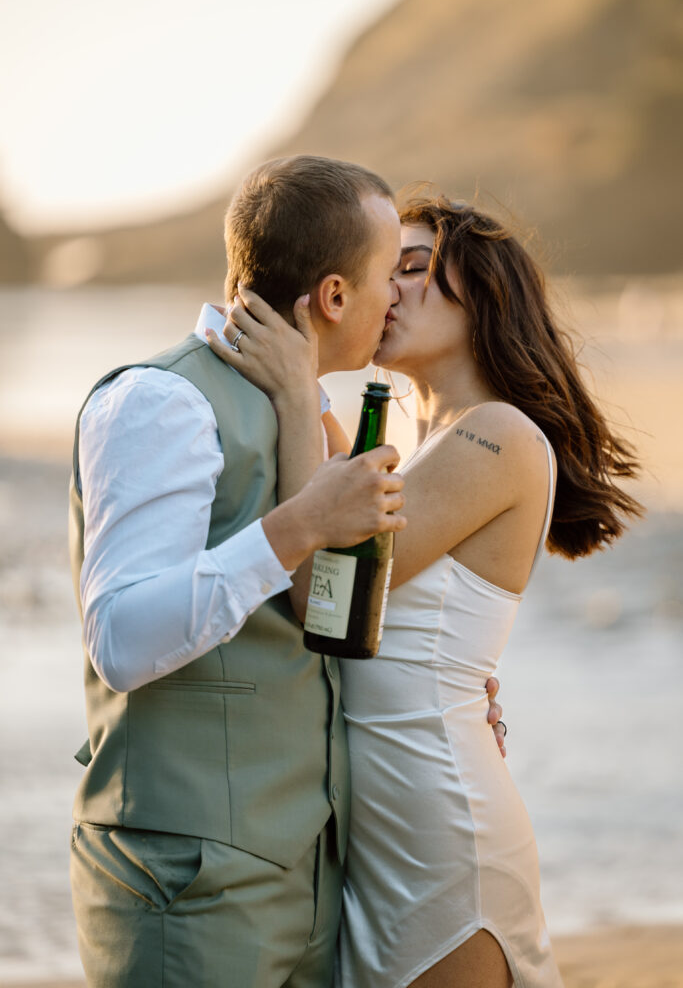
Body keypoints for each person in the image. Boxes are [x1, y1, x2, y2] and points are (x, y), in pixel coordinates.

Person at [68, 156, 505, 988]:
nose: (394, 300)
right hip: (184, 879)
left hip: (310, 874)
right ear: (335, 297)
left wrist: (451, 678)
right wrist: (295, 527)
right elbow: (120, 641)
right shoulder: (162, 402)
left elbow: (363, 592)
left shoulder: (309, 415)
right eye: (388, 275)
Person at [209, 194, 642, 988]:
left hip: (436, 819)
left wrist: (298, 390)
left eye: (414, 268)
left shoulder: (496, 433)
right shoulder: (419, 451)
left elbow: (318, 592)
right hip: (384, 817)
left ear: (484, 295)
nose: (389, 289)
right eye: (383, 270)